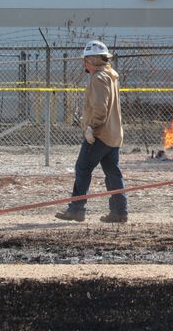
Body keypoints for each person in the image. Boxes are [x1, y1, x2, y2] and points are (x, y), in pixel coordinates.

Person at [55, 39, 128, 223]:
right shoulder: (111, 76)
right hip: (113, 134)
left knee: (83, 168)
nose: (84, 63)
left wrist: (91, 128)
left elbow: (100, 109)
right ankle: (119, 212)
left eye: (86, 59)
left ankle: (77, 209)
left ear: (94, 60)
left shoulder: (99, 78)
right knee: (112, 173)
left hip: (99, 135)